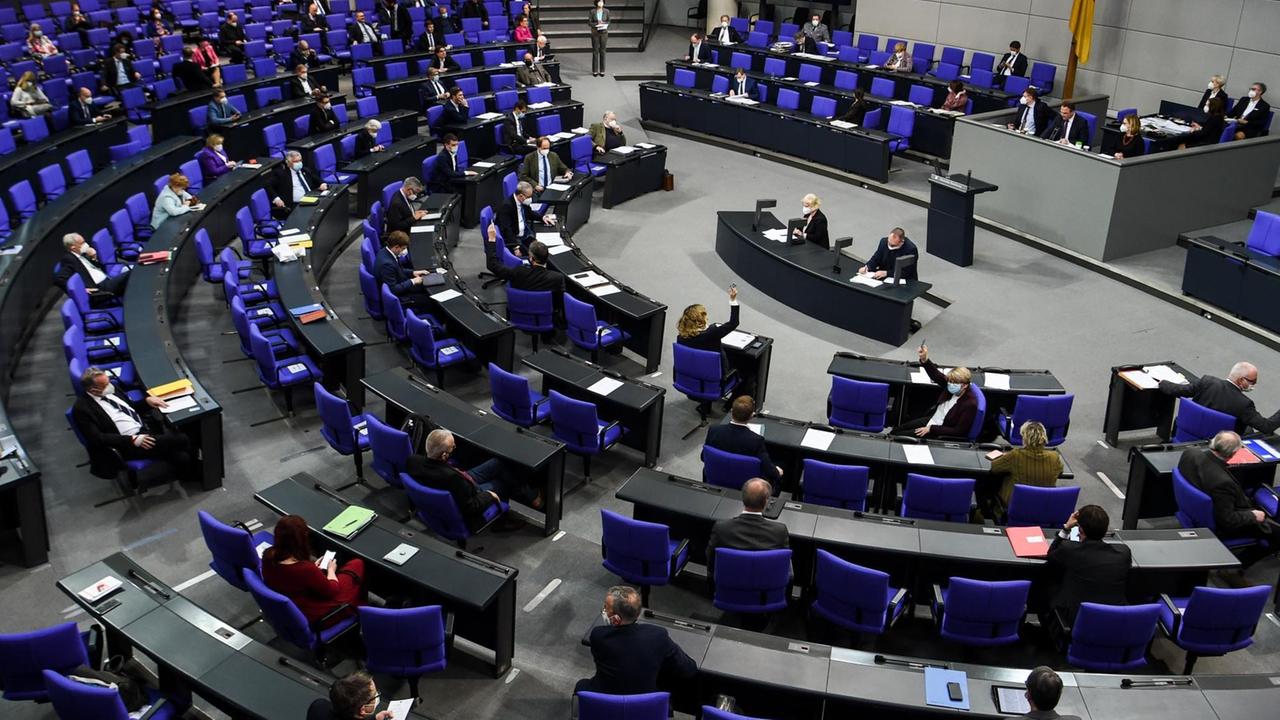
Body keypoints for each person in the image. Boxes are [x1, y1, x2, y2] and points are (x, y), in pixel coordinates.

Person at [71, 367, 192, 479]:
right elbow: (97, 438)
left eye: (109, 381)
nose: (110, 385)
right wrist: (132, 440)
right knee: (183, 438)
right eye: (106, 384)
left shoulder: (112, 390)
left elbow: (131, 408)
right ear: (93, 390)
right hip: (126, 445)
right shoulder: (82, 409)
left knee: (181, 457)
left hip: (144, 429)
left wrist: (146, 402)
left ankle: (191, 472)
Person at [575, 586, 696, 696]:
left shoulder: (598, 635)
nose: (603, 611)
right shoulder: (658, 635)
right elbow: (688, 669)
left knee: (581, 685)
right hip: (643, 707)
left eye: (606, 608)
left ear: (616, 619)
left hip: (605, 703)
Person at [405, 429, 541, 525]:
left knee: (498, 463)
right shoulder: (452, 478)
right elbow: (470, 507)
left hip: (464, 478)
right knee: (502, 483)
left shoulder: (413, 461)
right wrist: (489, 495)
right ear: (444, 455)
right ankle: (502, 523)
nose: (455, 448)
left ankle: (528, 494)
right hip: (470, 491)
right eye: (453, 447)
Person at [261, 515, 366, 627]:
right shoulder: (305, 569)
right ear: (302, 538)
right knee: (357, 564)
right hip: (317, 614)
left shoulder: (268, 555)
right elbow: (332, 591)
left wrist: (314, 570)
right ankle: (362, 608)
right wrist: (331, 570)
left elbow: (294, 581)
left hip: (296, 608)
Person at [1178, 431, 1275, 542]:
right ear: (1233, 453)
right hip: (1223, 525)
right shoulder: (1222, 483)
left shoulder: (1190, 453)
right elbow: (1228, 520)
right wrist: (1253, 516)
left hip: (1194, 511)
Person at [1045, 505, 1130, 623]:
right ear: (1105, 531)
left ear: (1080, 530)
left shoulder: (1069, 549)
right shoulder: (1123, 553)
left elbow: (1050, 556)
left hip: (1076, 620)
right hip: (1113, 621)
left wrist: (1066, 528)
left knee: (1048, 584)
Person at [1158, 361, 1280, 434]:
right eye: (1253, 381)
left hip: (1190, 428)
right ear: (1241, 380)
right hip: (1218, 443)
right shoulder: (1244, 404)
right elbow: (1266, 427)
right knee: (1248, 430)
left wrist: (1161, 382)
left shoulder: (1207, 382)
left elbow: (1179, 390)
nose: (1254, 384)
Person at [705, 478, 788, 582]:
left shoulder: (721, 527)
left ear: (742, 498)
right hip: (764, 591)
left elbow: (711, 559)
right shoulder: (780, 531)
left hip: (728, 588)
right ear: (767, 502)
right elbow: (784, 565)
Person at [676, 286, 754, 395]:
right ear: (702, 318)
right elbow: (733, 323)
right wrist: (733, 300)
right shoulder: (712, 333)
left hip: (695, 374)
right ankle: (731, 403)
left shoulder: (681, 336)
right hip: (718, 377)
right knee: (748, 368)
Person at [891, 343, 976, 438]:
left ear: (964, 385)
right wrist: (924, 359)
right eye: (949, 382)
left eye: (954, 383)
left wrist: (931, 429)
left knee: (899, 437)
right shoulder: (952, 385)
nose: (950, 385)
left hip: (939, 429)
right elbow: (936, 375)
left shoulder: (970, 404)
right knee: (896, 431)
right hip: (932, 418)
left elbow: (958, 431)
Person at [985, 420, 1064, 521]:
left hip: (1015, 504)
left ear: (1025, 438)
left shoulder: (1016, 455)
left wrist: (1006, 457)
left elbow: (995, 467)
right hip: (1042, 506)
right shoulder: (1054, 457)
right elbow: (1060, 471)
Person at [706, 396, 782, 484]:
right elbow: (768, 470)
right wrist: (777, 472)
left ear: (731, 412)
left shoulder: (714, 430)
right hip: (745, 485)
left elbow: (704, 457)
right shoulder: (756, 441)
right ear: (751, 416)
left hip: (716, 478)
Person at [484, 225, 564, 291]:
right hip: (546, 309)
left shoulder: (519, 272)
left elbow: (492, 265)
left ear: (531, 258)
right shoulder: (557, 278)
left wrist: (491, 240)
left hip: (518, 306)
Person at [54, 233, 131, 296]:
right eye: (82, 243)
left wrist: (93, 258)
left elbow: (97, 268)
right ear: (73, 248)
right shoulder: (69, 259)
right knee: (131, 273)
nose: (86, 245)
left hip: (107, 279)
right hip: (99, 288)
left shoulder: (83, 254)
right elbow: (59, 279)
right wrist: (81, 290)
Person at [305, 671, 394, 720]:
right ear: (363, 709)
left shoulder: (319, 706)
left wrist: (375, 719)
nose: (377, 695)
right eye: (375, 695)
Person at [495, 181, 553, 249]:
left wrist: (542, 218)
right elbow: (506, 230)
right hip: (516, 239)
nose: (530, 199)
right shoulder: (506, 206)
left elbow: (530, 213)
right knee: (538, 253)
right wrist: (515, 247)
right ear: (521, 196)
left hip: (525, 235)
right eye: (528, 197)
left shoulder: (522, 202)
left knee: (543, 247)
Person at [269, 150, 327, 215]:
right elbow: (268, 185)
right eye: (295, 161)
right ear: (288, 163)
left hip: (312, 199)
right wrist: (277, 199)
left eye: (300, 160)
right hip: (296, 205)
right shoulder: (281, 174)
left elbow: (318, 180)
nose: (299, 163)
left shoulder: (305, 170)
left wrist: (322, 184)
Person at [587, 0, 609, 77]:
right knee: (595, 51)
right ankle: (595, 70)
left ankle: (602, 70)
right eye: (599, 2)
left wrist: (604, 23)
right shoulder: (592, 11)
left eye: (602, 2)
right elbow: (589, 22)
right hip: (595, 33)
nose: (601, 3)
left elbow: (609, 21)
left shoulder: (606, 11)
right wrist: (597, 24)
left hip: (604, 33)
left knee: (603, 51)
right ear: (596, 3)